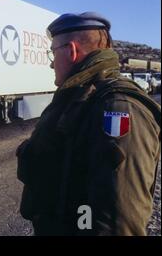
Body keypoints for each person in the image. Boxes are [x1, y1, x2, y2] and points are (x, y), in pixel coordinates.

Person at [16, 12, 161, 236]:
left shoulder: (119, 108)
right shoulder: (79, 98)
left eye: (52, 52)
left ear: (72, 51)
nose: (51, 63)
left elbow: (118, 223)